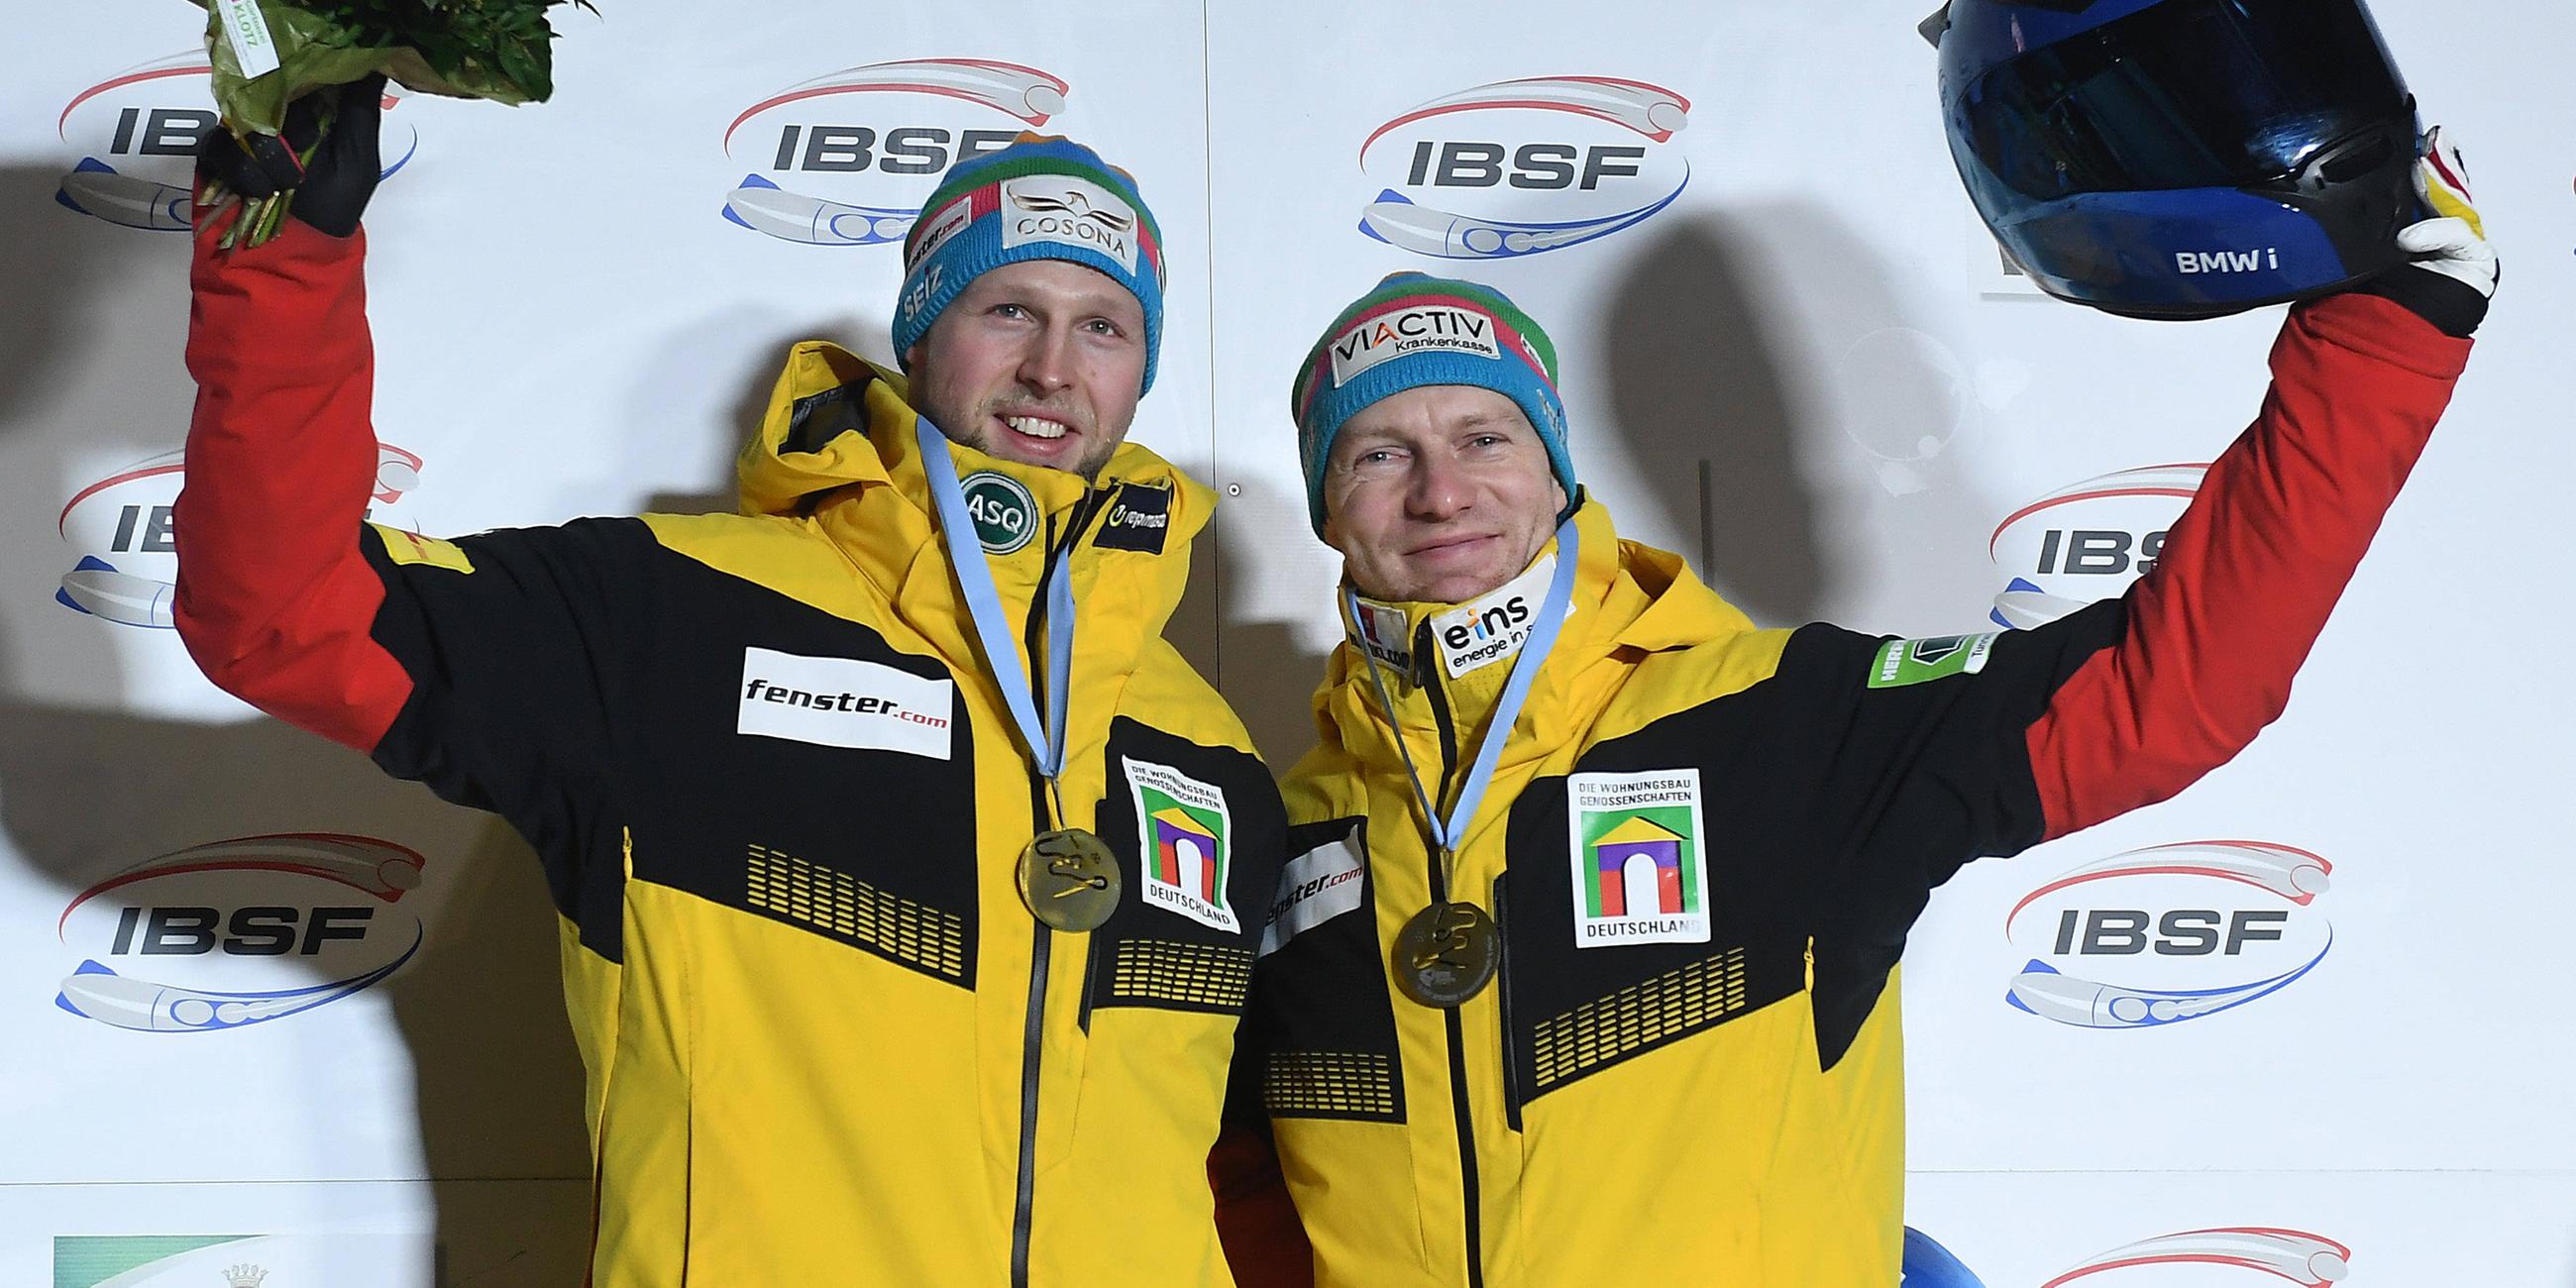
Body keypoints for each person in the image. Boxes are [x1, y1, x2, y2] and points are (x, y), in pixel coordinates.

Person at [1234, 143, 2494, 1284]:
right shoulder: (1286, 832)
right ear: (1328, 511)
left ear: (1557, 479)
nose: (1441, 492)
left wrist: (2384, 340)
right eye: (1377, 454)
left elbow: (2176, 687)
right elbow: (1240, 1204)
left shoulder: (1780, 719)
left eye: (1484, 436)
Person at [181, 81, 1286, 1286]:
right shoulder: (669, 615)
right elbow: (286, 611)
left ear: (1140, 375)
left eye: (1104, 327)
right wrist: (286, 263)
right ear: (919, 334)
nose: (1050, 369)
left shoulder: (1204, 748)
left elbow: (1242, 1165)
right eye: (1006, 308)